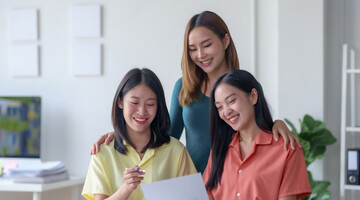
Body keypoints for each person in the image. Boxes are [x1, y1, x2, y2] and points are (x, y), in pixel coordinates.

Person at [90, 11, 300, 173]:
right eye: (192, 48)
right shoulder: (184, 87)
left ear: (225, 41)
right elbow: (165, 135)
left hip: (236, 184)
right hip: (195, 184)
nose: (200, 55)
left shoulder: (246, 85)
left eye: (207, 45)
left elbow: (261, 133)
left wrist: (278, 124)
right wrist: (123, 134)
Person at [198, 70, 311, 200]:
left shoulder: (286, 148)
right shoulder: (219, 150)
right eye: (219, 107)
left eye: (232, 101)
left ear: (253, 96)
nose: (226, 111)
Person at [82, 68, 197, 200]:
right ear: (120, 102)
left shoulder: (175, 150)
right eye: (134, 103)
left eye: (150, 104)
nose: (142, 111)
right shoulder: (103, 151)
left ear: (158, 107)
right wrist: (127, 187)